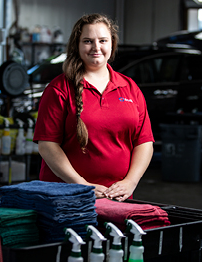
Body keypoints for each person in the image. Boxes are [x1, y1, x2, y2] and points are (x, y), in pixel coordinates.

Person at [33, 13, 154, 202]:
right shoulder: (59, 88)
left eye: (103, 40)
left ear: (112, 44)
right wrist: (80, 184)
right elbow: (47, 145)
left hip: (118, 197)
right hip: (68, 197)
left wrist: (130, 182)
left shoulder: (129, 88)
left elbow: (144, 142)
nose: (96, 47)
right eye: (88, 41)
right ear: (77, 45)